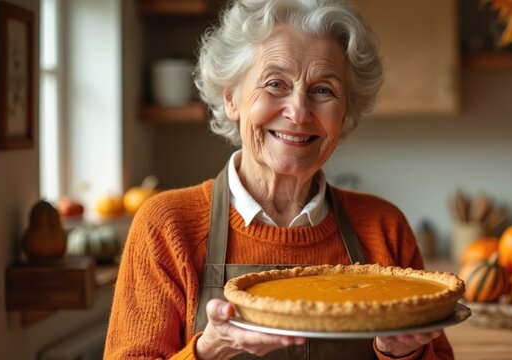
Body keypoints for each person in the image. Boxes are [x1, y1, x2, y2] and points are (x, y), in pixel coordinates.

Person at [104, 0, 453, 358]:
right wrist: (209, 350)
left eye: (323, 90)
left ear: (345, 110)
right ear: (231, 99)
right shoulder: (166, 226)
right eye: (275, 84)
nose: (299, 112)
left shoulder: (384, 228)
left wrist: (403, 354)